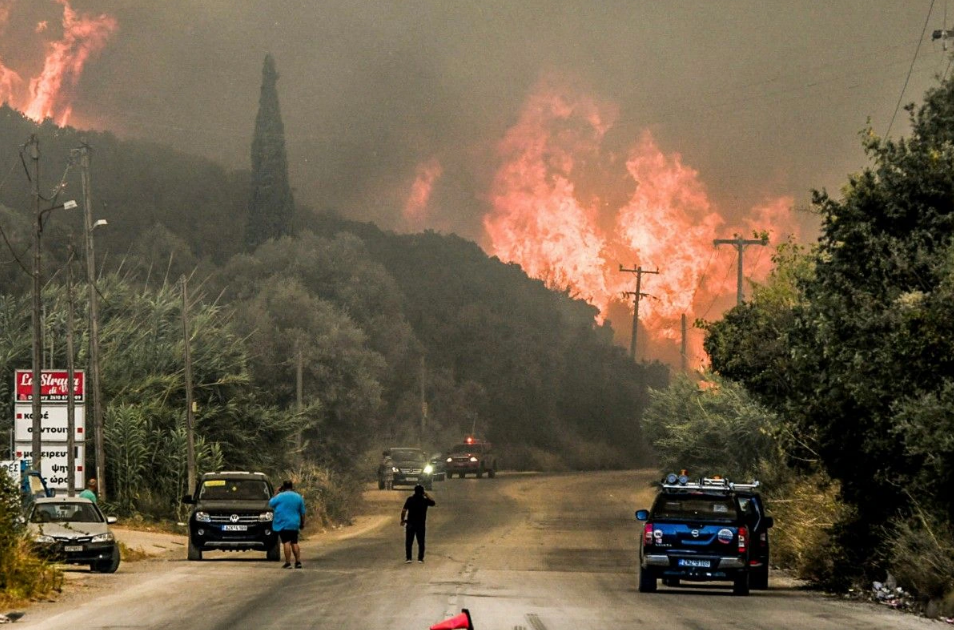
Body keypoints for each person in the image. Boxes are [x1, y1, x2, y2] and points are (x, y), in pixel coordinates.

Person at [268, 480, 306, 569]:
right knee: (294, 542)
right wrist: (302, 523)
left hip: (283, 523)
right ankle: (298, 562)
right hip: (294, 523)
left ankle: (288, 563)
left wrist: (275, 493)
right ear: (292, 487)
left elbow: (271, 503)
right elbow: (303, 512)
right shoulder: (298, 497)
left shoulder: (280, 496)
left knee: (286, 542)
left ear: (283, 487)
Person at [401, 484, 435, 564]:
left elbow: (404, 510)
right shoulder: (424, 500)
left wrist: (402, 520)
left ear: (414, 491)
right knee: (421, 542)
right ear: (422, 492)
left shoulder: (410, 499)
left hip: (410, 524)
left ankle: (408, 558)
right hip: (421, 524)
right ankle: (420, 558)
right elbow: (433, 503)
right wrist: (427, 495)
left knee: (409, 542)